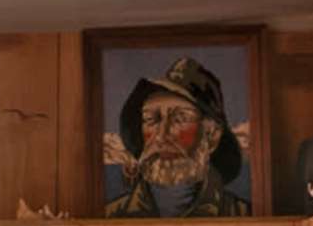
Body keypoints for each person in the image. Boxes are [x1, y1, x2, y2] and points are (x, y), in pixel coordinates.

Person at [101, 54, 250, 216]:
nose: (161, 135)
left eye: (180, 119)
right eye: (151, 119)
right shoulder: (111, 216)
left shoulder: (242, 215)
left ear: (211, 135)